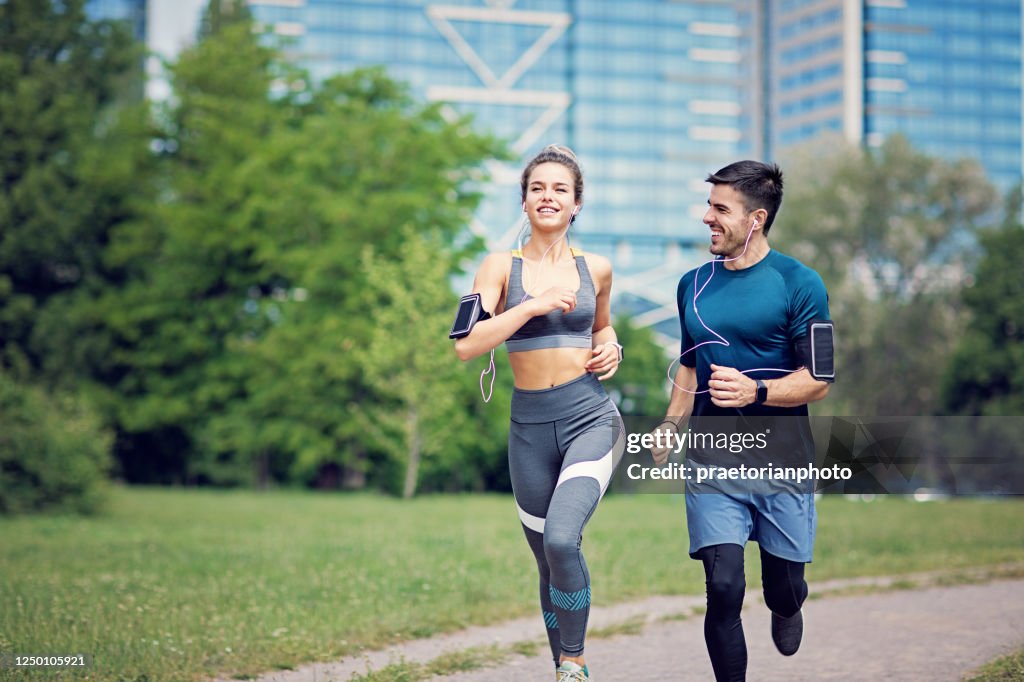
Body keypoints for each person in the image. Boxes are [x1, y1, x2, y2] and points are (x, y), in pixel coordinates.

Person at [652, 160, 833, 681]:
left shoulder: (801, 283)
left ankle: (787, 603)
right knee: (724, 586)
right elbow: (690, 362)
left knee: (781, 585)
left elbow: (820, 380)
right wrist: (670, 424)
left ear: (755, 218)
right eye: (709, 205)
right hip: (713, 461)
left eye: (720, 208)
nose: (707, 217)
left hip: (783, 462)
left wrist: (757, 390)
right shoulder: (692, 285)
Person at [453, 144, 624, 682]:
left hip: (590, 419)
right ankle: (561, 668)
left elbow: (603, 327)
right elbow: (465, 344)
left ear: (576, 205)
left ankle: (574, 662)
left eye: (560, 190)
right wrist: (529, 304)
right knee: (546, 561)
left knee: (559, 539)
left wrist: (612, 346)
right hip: (528, 428)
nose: (548, 197)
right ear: (524, 202)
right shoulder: (500, 266)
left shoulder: (596, 269)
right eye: (537, 188)